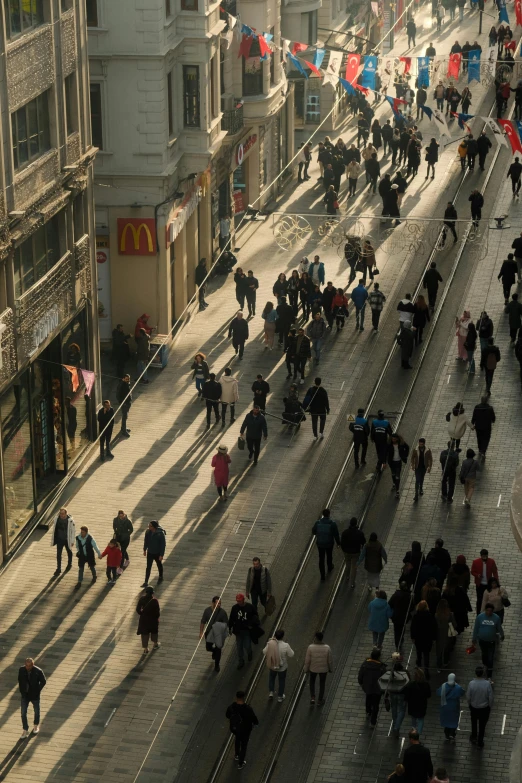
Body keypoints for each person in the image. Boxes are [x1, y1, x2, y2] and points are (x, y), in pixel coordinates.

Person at [226, 690, 259, 770]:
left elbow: (227, 715)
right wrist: (255, 723)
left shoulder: (232, 707)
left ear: (236, 697)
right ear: (243, 697)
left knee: (237, 739)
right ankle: (240, 763)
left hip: (235, 729)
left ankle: (237, 755)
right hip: (245, 730)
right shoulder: (247, 708)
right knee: (244, 746)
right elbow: (254, 719)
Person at [473, 604, 504, 681]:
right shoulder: (480, 617)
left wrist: (502, 635)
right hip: (482, 641)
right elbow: (476, 628)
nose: (489, 612)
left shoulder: (496, 618)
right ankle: (485, 665)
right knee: (484, 654)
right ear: (485, 610)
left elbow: (499, 627)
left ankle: (489, 675)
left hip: (491, 642)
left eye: (491, 611)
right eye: (487, 610)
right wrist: (474, 638)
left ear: (493, 611)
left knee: (490, 658)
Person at [18, 658, 46, 739]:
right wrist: (22, 690)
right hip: (25, 695)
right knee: (23, 713)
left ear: (33, 665)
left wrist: (37, 690)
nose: (28, 667)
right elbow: (20, 680)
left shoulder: (38, 671)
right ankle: (25, 729)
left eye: (29, 666)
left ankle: (36, 725)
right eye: (26, 665)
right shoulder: (21, 670)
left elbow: (43, 681)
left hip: (34, 695)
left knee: (36, 711)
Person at [263, 629, 294, 702]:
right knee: (281, 681)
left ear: (275, 636)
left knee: (271, 678)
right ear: (282, 636)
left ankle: (271, 692)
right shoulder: (285, 645)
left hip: (273, 666)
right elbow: (291, 654)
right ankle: (280, 697)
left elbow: (264, 652)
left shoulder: (270, 643)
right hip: (282, 667)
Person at [358, 647, 386, 725]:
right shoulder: (381, 667)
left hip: (368, 687)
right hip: (377, 689)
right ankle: (373, 722)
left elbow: (360, 675)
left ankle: (368, 711)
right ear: (379, 657)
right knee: (376, 705)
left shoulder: (365, 664)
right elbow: (384, 679)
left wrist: (361, 683)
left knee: (368, 698)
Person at [467, 666, 494, 747]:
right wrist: (490, 706)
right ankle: (480, 741)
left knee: (474, 722)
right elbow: (491, 697)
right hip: (484, 708)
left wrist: (469, 705)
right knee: (482, 725)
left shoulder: (471, 684)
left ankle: (474, 736)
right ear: (483, 674)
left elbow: (468, 696)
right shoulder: (487, 684)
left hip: (474, 707)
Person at [200, 596, 229, 672]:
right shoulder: (207, 611)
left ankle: (217, 665)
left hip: (218, 634)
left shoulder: (222, 613)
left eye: (220, 603)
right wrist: (201, 632)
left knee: (218, 649)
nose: (219, 605)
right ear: (213, 603)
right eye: (217, 603)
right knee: (208, 647)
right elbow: (203, 621)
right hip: (209, 633)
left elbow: (226, 623)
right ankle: (214, 651)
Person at [304, 631, 333, 706]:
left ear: (316, 638)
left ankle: (313, 697)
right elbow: (329, 660)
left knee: (312, 682)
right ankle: (320, 700)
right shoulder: (327, 648)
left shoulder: (310, 647)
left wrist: (306, 669)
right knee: (322, 683)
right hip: (323, 669)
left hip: (313, 668)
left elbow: (307, 660)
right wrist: (330, 669)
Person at [312, 508, 340, 581]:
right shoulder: (332, 524)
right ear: (329, 514)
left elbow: (313, 531)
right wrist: (338, 543)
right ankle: (330, 567)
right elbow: (336, 534)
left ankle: (322, 576)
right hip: (329, 543)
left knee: (321, 558)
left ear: (323, 515)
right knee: (329, 555)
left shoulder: (317, 523)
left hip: (320, 544)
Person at [410, 601, 437, 677]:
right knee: (426, 655)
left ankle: (418, 667)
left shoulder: (416, 616)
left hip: (418, 639)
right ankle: (426, 670)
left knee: (418, 653)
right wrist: (434, 638)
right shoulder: (431, 616)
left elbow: (413, 628)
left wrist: (413, 637)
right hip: (427, 639)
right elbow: (434, 628)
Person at [436, 674, 465, 742]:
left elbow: (438, 692)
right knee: (453, 720)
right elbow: (462, 692)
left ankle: (446, 734)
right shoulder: (457, 687)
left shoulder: (444, 686)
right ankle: (452, 734)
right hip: (454, 706)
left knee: (446, 720)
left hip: (445, 706)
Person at [403, 671, 431, 737]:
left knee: (413, 718)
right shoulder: (426, 685)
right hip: (422, 705)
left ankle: (413, 730)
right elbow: (429, 695)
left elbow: (407, 695)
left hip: (412, 705)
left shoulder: (411, 685)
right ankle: (418, 734)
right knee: (421, 719)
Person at [471, 549, 499, 614]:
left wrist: (496, 581)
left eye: (486, 556)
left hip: (488, 584)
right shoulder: (475, 562)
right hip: (479, 584)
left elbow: (495, 572)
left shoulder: (491, 561)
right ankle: (479, 613)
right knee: (480, 600)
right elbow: (472, 571)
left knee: (489, 599)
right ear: (481, 556)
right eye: (483, 556)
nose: (484, 558)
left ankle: (489, 612)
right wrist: (477, 575)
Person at [341, 517, 366, 588]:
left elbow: (342, 543)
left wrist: (344, 550)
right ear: (356, 524)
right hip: (356, 552)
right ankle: (352, 583)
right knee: (354, 567)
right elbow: (363, 542)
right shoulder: (359, 533)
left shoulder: (345, 532)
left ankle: (347, 576)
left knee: (347, 564)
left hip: (346, 552)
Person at [51, 507, 76, 576]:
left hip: (67, 539)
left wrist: (72, 541)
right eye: (60, 514)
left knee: (69, 552)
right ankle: (58, 568)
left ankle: (69, 563)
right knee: (58, 554)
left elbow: (73, 531)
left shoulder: (70, 521)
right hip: (59, 539)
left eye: (63, 514)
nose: (61, 515)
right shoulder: (57, 519)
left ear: (66, 513)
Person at [74, 525, 101, 589]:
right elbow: (77, 546)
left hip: (89, 555)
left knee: (92, 566)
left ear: (86, 532)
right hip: (82, 556)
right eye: (81, 532)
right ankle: (79, 582)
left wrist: (99, 554)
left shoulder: (90, 538)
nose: (82, 533)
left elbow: (95, 546)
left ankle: (94, 576)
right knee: (81, 569)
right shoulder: (78, 538)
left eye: (83, 532)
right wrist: (79, 551)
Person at [304, 377, 330, 441]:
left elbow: (307, 398)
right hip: (322, 409)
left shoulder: (311, 390)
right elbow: (326, 400)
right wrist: (328, 409)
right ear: (320, 382)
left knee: (314, 422)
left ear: (314, 382)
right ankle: (321, 432)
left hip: (313, 409)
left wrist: (306, 407)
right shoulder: (323, 391)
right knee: (323, 420)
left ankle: (315, 436)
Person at [142, 520, 165, 587]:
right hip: (150, 552)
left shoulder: (160, 534)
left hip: (157, 553)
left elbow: (163, 545)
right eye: (148, 525)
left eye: (150, 526)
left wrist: (161, 555)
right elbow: (146, 541)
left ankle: (160, 576)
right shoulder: (148, 532)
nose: (149, 527)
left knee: (159, 564)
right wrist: (144, 549)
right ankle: (146, 581)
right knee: (148, 567)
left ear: (154, 527)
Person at [387, 433, 410, 498]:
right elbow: (385, 452)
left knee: (397, 476)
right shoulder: (389, 444)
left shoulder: (401, 444)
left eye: (394, 439)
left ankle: (397, 491)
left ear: (397, 439)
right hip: (391, 462)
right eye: (392, 439)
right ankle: (394, 483)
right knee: (393, 474)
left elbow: (407, 447)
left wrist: (405, 455)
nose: (393, 440)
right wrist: (384, 461)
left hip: (398, 462)